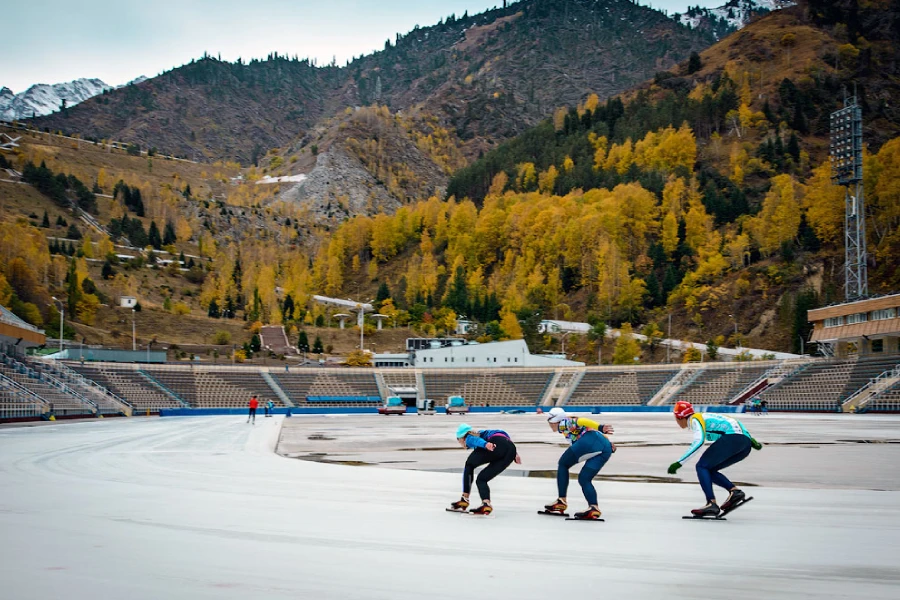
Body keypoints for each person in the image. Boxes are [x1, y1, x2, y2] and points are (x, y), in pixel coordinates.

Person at [668, 401, 763, 517]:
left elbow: (699, 441)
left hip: (733, 439)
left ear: (680, 417)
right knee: (709, 470)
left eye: (676, 418)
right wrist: (751, 441)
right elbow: (730, 426)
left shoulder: (695, 419)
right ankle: (735, 492)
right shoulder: (704, 417)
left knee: (701, 466)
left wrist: (679, 462)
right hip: (744, 445)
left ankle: (711, 503)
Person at [543, 407, 615, 520]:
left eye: (549, 421)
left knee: (563, 464)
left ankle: (561, 500)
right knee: (584, 479)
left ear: (553, 420)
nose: (548, 424)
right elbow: (588, 428)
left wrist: (600, 427)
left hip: (590, 441)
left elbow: (582, 420)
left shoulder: (563, 423)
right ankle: (593, 508)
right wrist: (608, 442)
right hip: (605, 448)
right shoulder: (565, 426)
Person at [449, 423, 521, 515]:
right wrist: (515, 453)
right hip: (510, 450)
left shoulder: (468, 437)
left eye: (459, 440)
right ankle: (486, 504)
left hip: (495, 444)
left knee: (469, 464)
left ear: (461, 437)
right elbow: (504, 434)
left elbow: (476, 440)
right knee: (482, 479)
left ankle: (464, 498)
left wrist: (485, 444)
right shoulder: (486, 433)